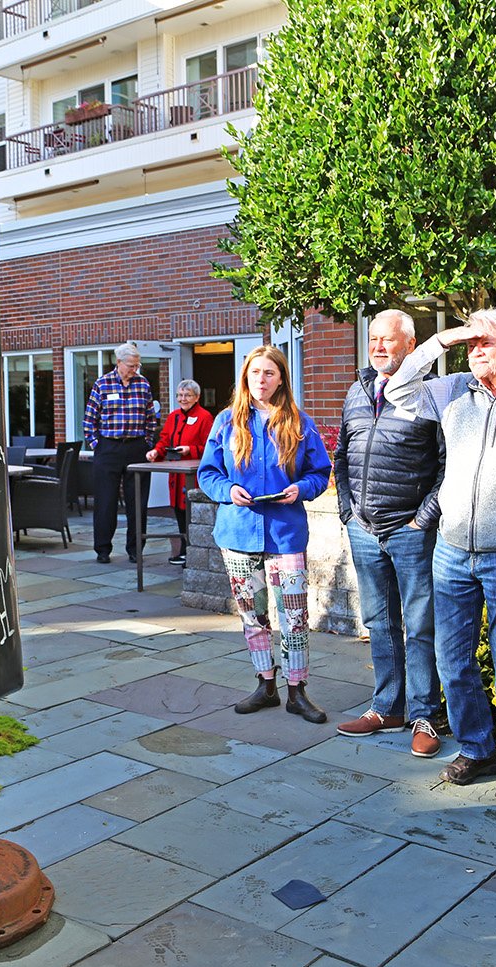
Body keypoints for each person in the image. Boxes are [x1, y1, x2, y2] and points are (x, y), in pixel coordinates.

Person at [396, 309, 496, 803]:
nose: (474, 349)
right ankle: (478, 748)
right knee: (451, 659)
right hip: (452, 551)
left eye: (485, 340)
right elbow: (398, 389)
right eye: (470, 342)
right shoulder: (454, 391)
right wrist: (444, 338)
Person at [197, 345, 333, 723]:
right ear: (246, 377)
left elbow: (320, 472)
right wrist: (227, 490)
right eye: (255, 372)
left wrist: (301, 488)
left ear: (281, 379)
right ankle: (266, 684)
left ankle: (297, 691)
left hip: (285, 533)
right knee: (252, 615)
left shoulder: (299, 423)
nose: (262, 379)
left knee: (295, 616)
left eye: (269, 372)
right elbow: (208, 472)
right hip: (239, 534)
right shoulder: (226, 422)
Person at [332, 310, 445, 757]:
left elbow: (447, 465)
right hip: (364, 529)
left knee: (420, 625)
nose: (378, 347)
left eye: (388, 340)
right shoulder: (357, 390)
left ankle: (424, 715)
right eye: (373, 338)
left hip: (410, 530)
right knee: (379, 622)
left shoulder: (431, 394)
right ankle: (386, 708)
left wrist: (423, 518)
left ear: (411, 345)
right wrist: (347, 511)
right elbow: (341, 455)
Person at [83, 342, 159, 564]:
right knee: (105, 501)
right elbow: (89, 420)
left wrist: (147, 442)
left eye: (137, 365)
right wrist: (97, 445)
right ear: (119, 362)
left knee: (137, 502)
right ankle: (102, 549)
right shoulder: (102, 384)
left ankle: (135, 549)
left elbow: (150, 418)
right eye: (131, 365)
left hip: (136, 447)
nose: (135, 369)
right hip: (108, 448)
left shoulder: (143, 384)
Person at [146, 378, 213, 567]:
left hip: (192, 475)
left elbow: (210, 446)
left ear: (197, 397)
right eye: (180, 395)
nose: (183, 399)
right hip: (175, 474)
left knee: (190, 512)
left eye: (187, 395)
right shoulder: (174, 416)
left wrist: (190, 450)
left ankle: (191, 551)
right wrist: (156, 452)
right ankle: (184, 550)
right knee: (178, 511)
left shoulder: (205, 417)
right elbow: (165, 440)